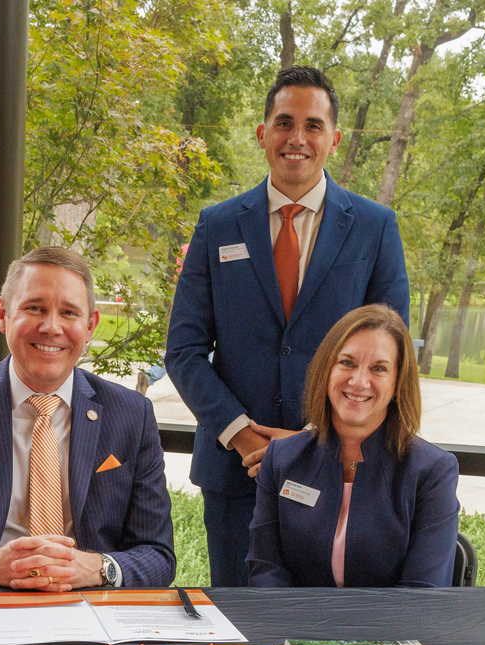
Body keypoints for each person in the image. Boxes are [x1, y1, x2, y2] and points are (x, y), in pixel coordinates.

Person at [165, 64, 410, 586]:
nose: (297, 138)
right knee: (237, 629)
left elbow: (392, 356)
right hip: (235, 470)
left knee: (315, 630)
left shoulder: (374, 228)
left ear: (334, 139)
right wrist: (243, 436)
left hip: (334, 465)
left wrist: (314, 441)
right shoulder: (217, 225)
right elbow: (183, 351)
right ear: (262, 134)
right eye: (284, 123)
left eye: (313, 125)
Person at [0, 247, 174, 589]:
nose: (51, 327)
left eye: (69, 312)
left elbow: (158, 555)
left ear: (89, 327)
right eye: (34, 308)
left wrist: (97, 568)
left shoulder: (131, 414)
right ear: (2, 314)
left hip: (93, 607)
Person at [247, 305, 458, 588]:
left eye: (379, 368)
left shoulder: (433, 472)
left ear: (397, 383)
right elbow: (267, 572)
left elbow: (421, 592)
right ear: (326, 370)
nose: (359, 381)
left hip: (389, 630)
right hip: (294, 626)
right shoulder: (282, 459)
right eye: (347, 362)